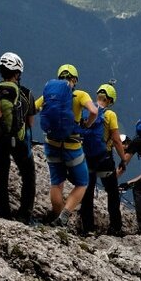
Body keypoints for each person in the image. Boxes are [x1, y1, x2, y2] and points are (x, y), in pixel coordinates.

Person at [34, 64, 95, 226]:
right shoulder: (80, 95)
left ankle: (57, 217)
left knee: (56, 183)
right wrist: (87, 124)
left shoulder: (50, 94)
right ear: (75, 79)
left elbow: (32, 108)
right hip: (72, 147)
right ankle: (65, 215)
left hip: (51, 145)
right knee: (82, 182)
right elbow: (94, 111)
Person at [0, 53, 34, 222]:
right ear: (18, 73)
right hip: (19, 141)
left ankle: (3, 211)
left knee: (1, 176)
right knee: (28, 176)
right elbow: (30, 122)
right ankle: (24, 214)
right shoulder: (26, 93)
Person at [77, 82, 125, 236]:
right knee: (112, 193)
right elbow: (116, 140)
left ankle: (88, 228)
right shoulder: (110, 115)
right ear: (110, 100)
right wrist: (123, 159)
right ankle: (115, 227)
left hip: (87, 158)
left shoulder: (87, 110)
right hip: (105, 159)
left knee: (88, 193)